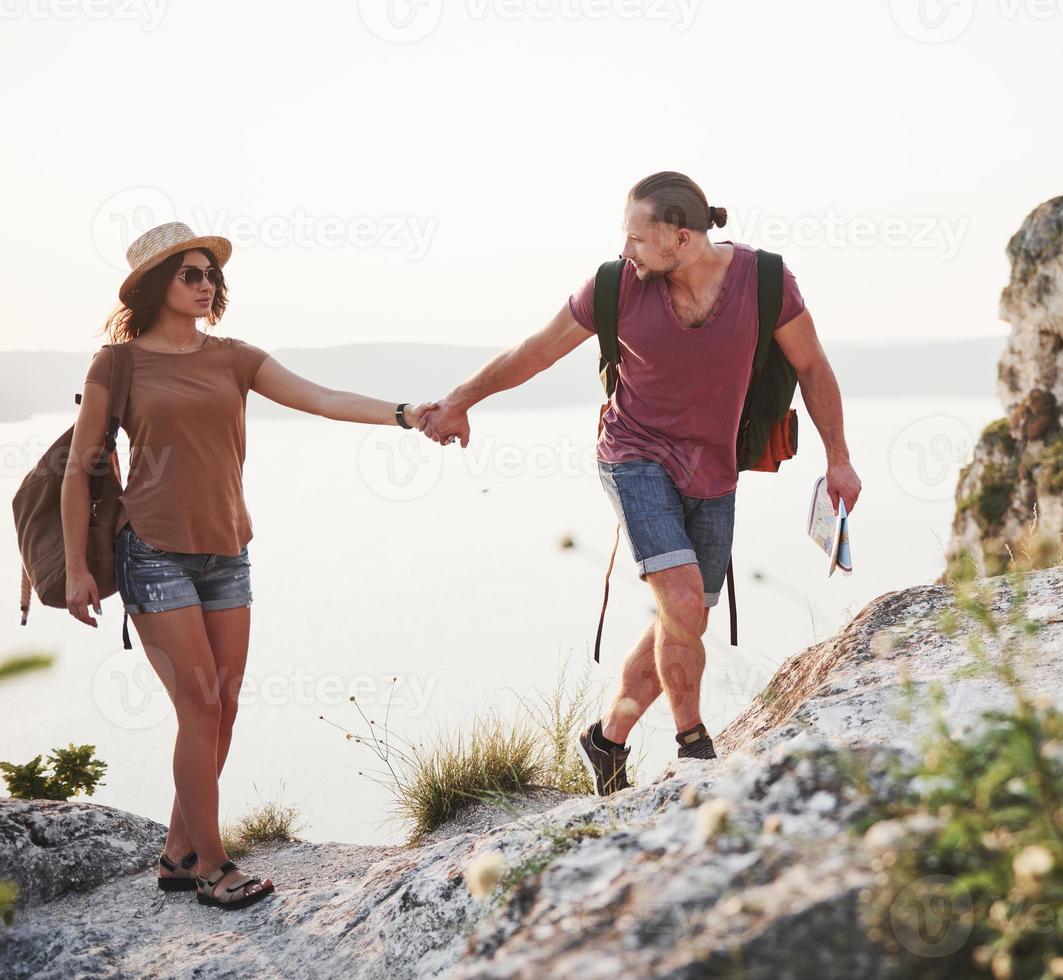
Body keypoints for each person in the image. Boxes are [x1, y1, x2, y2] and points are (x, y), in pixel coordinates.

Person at [419, 172, 861, 796]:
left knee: (684, 616)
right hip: (632, 457)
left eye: (636, 238)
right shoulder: (617, 286)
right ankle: (694, 750)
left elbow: (812, 365)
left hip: (714, 468)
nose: (625, 249)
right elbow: (536, 351)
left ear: (681, 239)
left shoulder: (765, 283)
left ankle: (606, 739)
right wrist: (461, 398)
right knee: (681, 603)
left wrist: (839, 458)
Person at [62, 222, 438, 909]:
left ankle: (178, 854)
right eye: (190, 275)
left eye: (211, 275)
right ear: (156, 286)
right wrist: (77, 571)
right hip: (152, 551)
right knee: (197, 706)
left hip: (228, 552)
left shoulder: (236, 358)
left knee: (224, 709)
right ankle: (212, 865)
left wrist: (405, 414)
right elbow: (81, 469)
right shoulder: (115, 365)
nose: (206, 285)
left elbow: (322, 399)